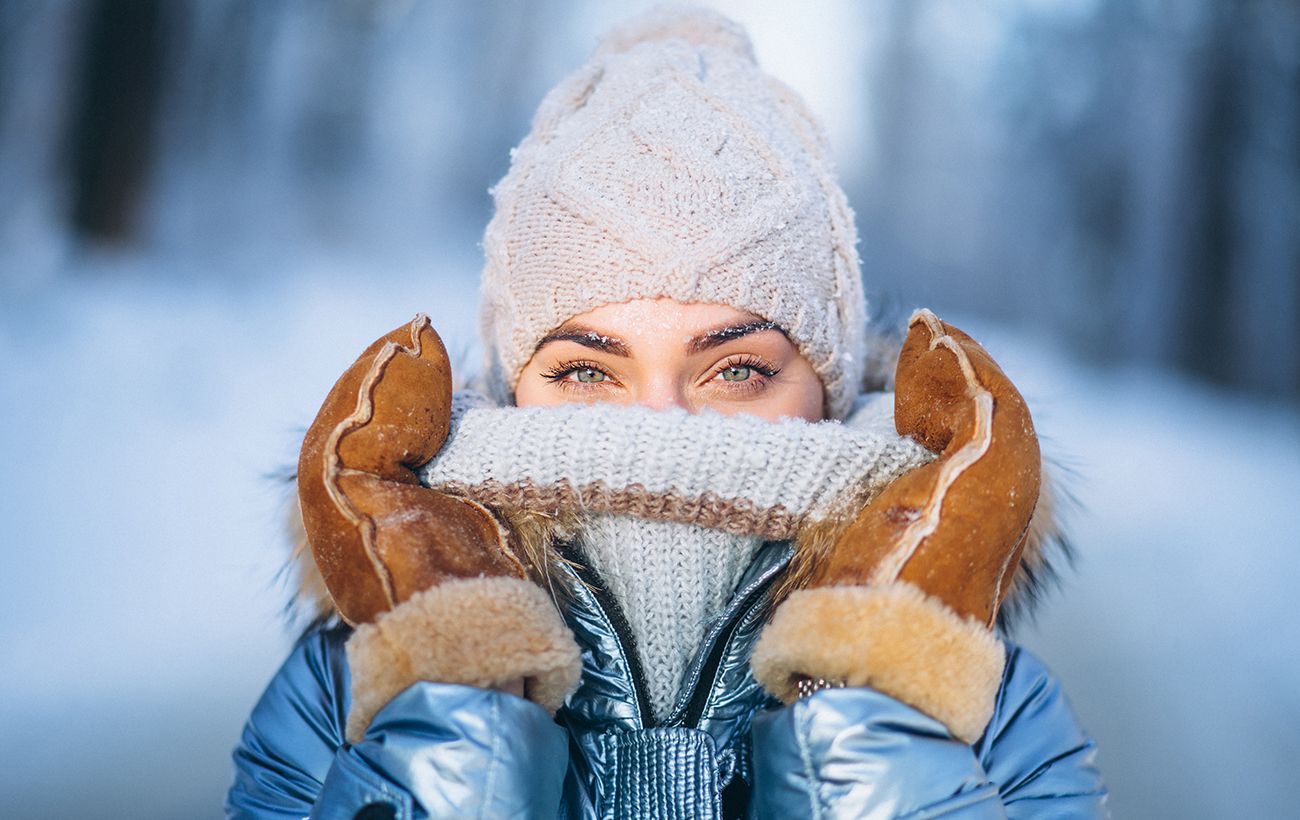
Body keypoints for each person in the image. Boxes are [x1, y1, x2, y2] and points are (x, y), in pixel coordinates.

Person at [226, 6, 1107, 818]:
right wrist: (451, 735)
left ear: (829, 392)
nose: (658, 427)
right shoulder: (355, 692)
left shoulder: (977, 708)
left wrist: (876, 732)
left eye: (736, 371)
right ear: (510, 386)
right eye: (585, 372)